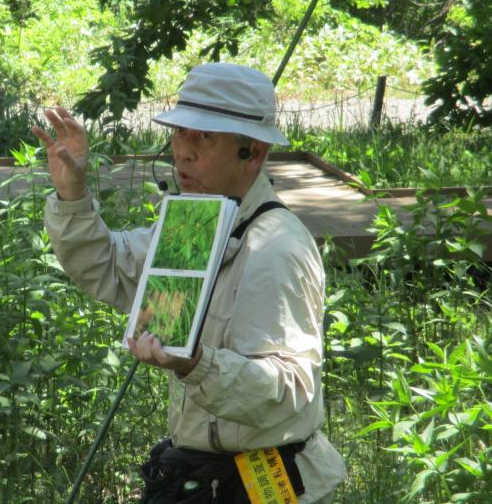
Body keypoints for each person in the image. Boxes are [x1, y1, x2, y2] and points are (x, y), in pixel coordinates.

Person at [33, 63, 346, 503]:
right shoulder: (197, 222)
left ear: (252, 152)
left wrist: (196, 363)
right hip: (202, 476)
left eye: (205, 137)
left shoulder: (275, 248)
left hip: (262, 483)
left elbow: (288, 390)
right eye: (180, 132)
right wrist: (72, 193)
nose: (183, 151)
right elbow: (107, 268)